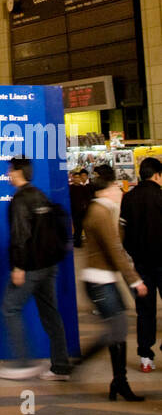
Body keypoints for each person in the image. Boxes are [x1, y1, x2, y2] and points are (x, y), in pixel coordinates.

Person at [0, 157, 72, 381]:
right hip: (49, 265)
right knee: (50, 313)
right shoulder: (40, 195)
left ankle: (22, 364)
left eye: (10, 170)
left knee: (10, 308)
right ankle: (60, 366)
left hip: (30, 266)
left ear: (18, 172)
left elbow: (20, 236)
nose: (8, 174)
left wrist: (18, 266)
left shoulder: (19, 200)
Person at [80, 165, 146, 401]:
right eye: (116, 185)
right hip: (99, 281)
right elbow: (115, 249)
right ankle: (80, 363)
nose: (120, 189)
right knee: (116, 329)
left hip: (104, 279)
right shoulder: (100, 212)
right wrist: (135, 280)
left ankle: (119, 383)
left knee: (117, 330)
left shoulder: (106, 210)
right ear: (107, 189)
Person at [120, 153, 162, 373]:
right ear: (157, 175)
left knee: (145, 311)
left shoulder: (128, 198)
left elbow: (123, 232)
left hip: (141, 264)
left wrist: (134, 254)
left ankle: (145, 356)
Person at [69, 168, 92, 248]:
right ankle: (77, 241)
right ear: (73, 178)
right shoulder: (70, 188)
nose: (77, 179)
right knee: (77, 226)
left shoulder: (84, 188)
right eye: (75, 177)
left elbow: (88, 199)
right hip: (74, 211)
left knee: (80, 227)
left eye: (79, 177)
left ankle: (78, 241)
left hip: (82, 211)